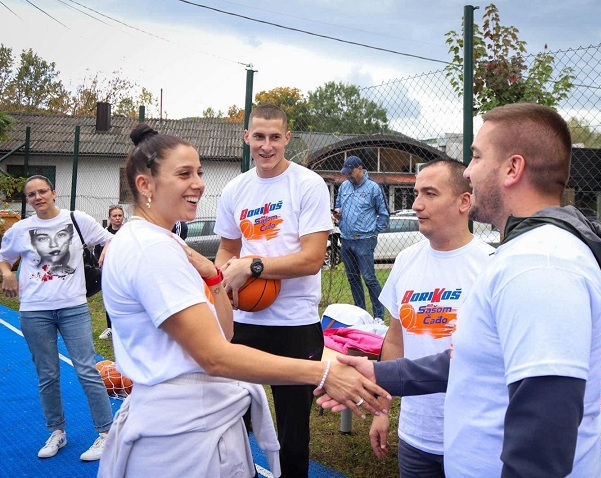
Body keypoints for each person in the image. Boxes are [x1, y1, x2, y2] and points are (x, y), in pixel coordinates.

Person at [320, 103, 601, 478]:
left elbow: (544, 437)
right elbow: (473, 359)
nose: (469, 171)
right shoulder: (525, 255)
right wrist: (380, 375)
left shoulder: (540, 265)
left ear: (513, 168)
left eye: (476, 156)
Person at [98, 124, 389, 477]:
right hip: (180, 435)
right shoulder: (151, 250)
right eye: (184, 174)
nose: (199, 184)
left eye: (199, 172)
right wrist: (324, 371)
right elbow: (215, 356)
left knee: (292, 434)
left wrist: (214, 278)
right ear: (146, 185)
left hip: (200, 422)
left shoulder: (167, 244)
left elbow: (224, 331)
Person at [214, 103, 339, 477]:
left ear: (287, 139)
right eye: (258, 137)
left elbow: (313, 258)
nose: (266, 146)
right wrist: (225, 275)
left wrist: (253, 267)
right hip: (244, 319)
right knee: (230, 418)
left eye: (274, 137)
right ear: (246, 139)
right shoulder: (235, 189)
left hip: (294, 323)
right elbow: (227, 249)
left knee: (293, 434)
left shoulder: (307, 184)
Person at [369, 158, 495, 477]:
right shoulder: (406, 260)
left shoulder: (491, 266)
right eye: (416, 193)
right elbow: (396, 339)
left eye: (430, 194)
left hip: (474, 439)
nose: (416, 204)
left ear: (464, 202)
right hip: (416, 437)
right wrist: (382, 408)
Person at [0, 175, 115, 461]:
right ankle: (57, 431)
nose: (38, 197)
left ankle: (107, 433)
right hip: (34, 310)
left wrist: (108, 251)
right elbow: (4, 258)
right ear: (27, 200)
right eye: (31, 195)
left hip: (73, 307)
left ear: (54, 192)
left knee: (87, 369)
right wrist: (7, 275)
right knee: (47, 375)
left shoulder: (77, 219)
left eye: (42, 191)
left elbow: (110, 239)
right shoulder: (21, 229)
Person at [333, 155, 390, 320]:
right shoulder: (344, 186)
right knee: (352, 278)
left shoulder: (373, 188)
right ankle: (361, 314)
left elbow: (383, 213)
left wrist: (373, 232)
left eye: (350, 172)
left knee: (369, 278)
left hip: (365, 240)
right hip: (346, 239)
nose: (348, 175)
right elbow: (339, 205)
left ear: (360, 168)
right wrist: (337, 214)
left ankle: (378, 315)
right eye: (346, 172)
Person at [97, 204, 125, 339]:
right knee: (109, 300)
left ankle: (123, 328)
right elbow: (97, 253)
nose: (118, 218)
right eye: (115, 216)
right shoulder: (103, 234)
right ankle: (110, 328)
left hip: (124, 272)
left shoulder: (127, 233)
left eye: (120, 215)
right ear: (109, 218)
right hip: (108, 273)